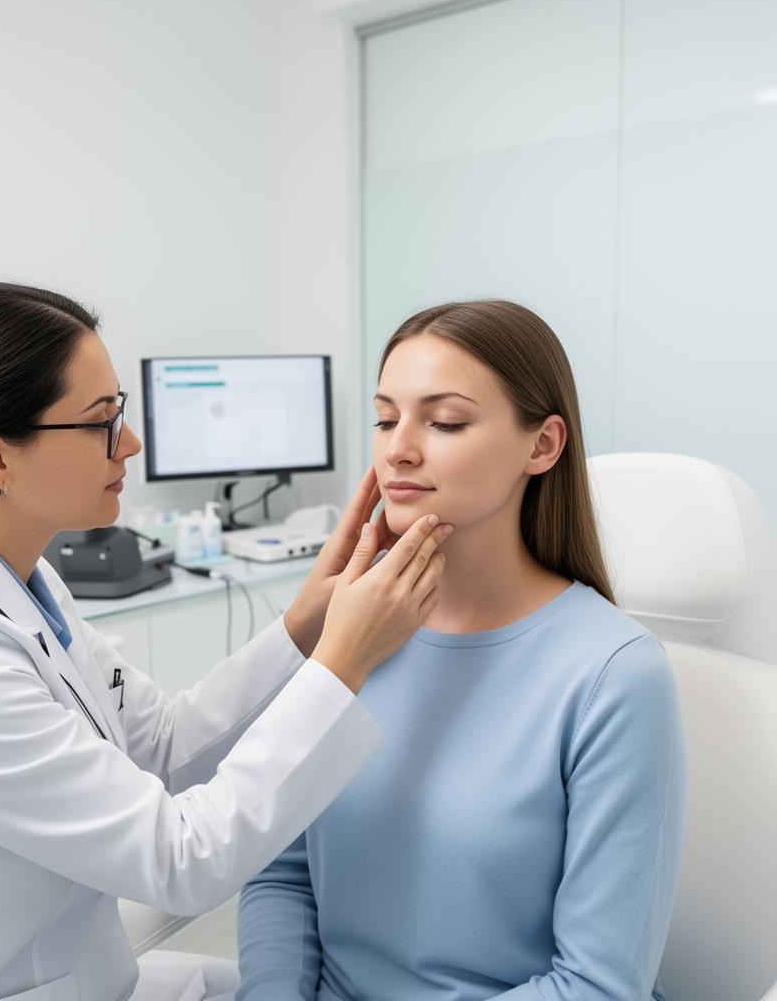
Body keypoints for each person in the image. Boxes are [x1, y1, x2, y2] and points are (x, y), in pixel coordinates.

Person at [0, 283, 455, 1001]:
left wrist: (304, 628)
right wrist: (343, 663)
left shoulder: (21, 579)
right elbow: (183, 860)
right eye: (102, 422)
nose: (129, 444)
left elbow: (162, 742)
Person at [237, 300, 688, 1000]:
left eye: (443, 421)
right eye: (386, 419)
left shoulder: (614, 676)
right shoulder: (351, 632)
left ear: (541, 446)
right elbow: (280, 867)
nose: (398, 449)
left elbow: (598, 984)